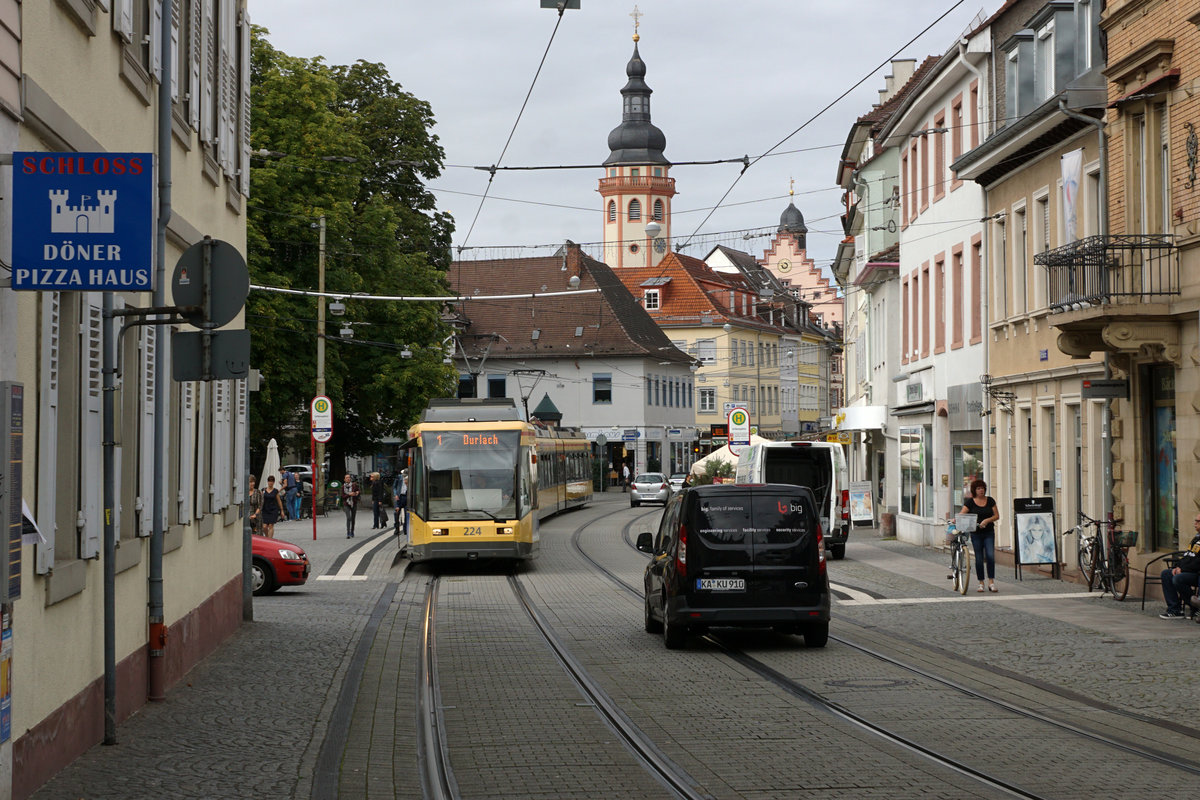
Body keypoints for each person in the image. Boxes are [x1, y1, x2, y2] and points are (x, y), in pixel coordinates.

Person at [960, 478, 1000, 593]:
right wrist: (956, 519)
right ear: (974, 490)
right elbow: (962, 514)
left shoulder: (990, 500)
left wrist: (987, 520)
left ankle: (991, 582)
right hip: (976, 534)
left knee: (990, 556)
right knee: (979, 558)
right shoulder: (970, 502)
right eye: (978, 488)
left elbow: (996, 516)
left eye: (982, 488)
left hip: (989, 532)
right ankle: (981, 582)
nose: (981, 490)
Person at [1160, 514, 1200, 619]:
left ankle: (1195, 606)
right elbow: (1187, 556)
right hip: (1188, 571)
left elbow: (1197, 562)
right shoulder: (1196, 538)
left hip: (1196, 573)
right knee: (1166, 574)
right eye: (1195, 520)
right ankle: (1174, 610)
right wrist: (1177, 567)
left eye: (1198, 521)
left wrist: (1182, 569)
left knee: (1178, 579)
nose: (1195, 523)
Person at [341, 474, 360, 538]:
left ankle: (352, 531)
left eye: (349, 477)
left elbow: (358, 491)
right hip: (346, 503)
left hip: (353, 503)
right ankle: (348, 532)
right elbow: (343, 496)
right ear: (344, 479)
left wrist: (357, 493)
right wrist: (349, 495)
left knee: (353, 518)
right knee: (348, 517)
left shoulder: (354, 485)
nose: (348, 478)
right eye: (347, 478)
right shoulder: (343, 487)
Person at [393, 468, 408, 536]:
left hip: (406, 496)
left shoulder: (411, 478)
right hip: (399, 496)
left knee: (407, 514)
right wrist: (395, 494)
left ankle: (406, 530)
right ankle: (397, 528)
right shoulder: (399, 477)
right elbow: (394, 487)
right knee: (396, 513)